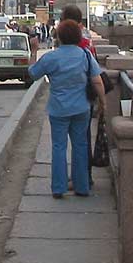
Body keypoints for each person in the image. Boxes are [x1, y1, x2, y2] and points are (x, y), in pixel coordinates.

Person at [28, 20, 106, 198]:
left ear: (59, 38)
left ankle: (59, 188)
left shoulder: (51, 57)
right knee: (80, 146)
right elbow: (97, 80)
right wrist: (103, 102)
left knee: (59, 147)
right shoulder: (85, 55)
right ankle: (82, 187)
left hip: (59, 109)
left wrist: (33, 51)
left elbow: (32, 74)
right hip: (81, 108)